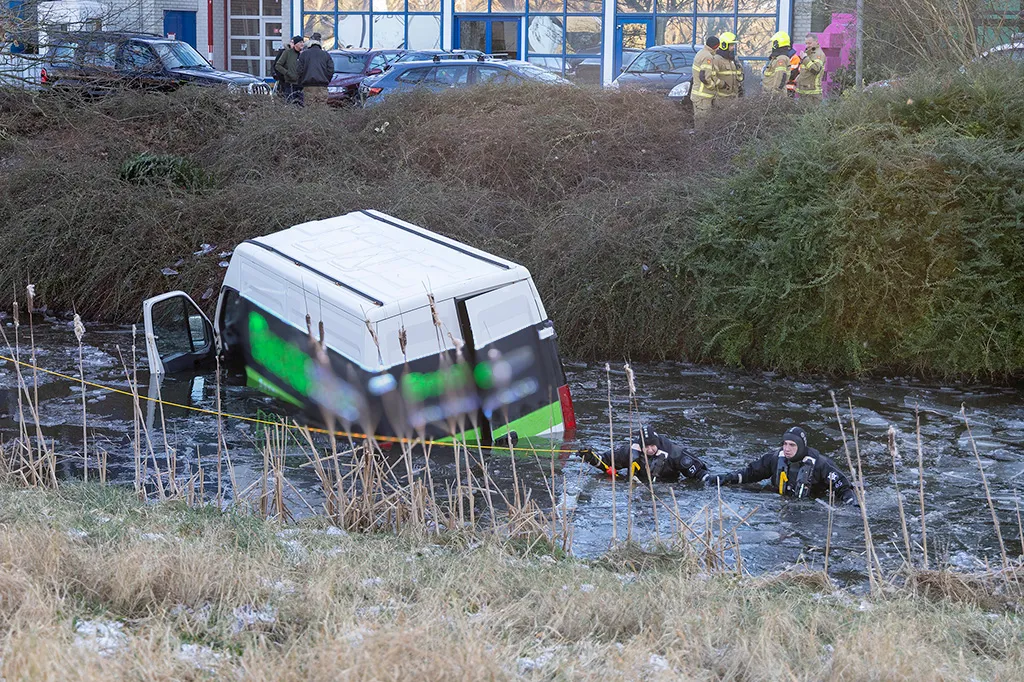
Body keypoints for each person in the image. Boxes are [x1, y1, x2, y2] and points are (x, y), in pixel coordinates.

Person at [707, 426, 857, 505]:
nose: (787, 449)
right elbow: (751, 473)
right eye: (785, 444)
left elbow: (843, 487)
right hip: (779, 501)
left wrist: (852, 504)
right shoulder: (775, 458)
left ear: (801, 446)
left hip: (809, 505)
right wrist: (727, 478)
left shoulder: (821, 464)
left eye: (792, 445)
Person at [576, 424, 709, 484]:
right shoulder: (629, 451)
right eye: (646, 446)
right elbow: (604, 461)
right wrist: (589, 457)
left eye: (653, 446)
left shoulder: (674, 452)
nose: (650, 450)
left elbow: (698, 472)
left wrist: (711, 480)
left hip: (667, 488)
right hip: (637, 487)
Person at [297, 32, 335, 106]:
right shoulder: (326, 55)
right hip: (322, 86)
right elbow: (331, 70)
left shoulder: (304, 54)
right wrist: (326, 80)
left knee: (309, 109)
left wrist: (301, 82)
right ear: (320, 42)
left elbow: (299, 71)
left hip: (308, 86)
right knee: (321, 109)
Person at [690, 35, 719, 130]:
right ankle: (700, 139)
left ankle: (699, 137)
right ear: (715, 46)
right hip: (703, 96)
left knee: (699, 122)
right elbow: (706, 78)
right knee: (703, 124)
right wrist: (713, 87)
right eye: (717, 46)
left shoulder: (701, 53)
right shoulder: (708, 57)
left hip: (698, 95)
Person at [712, 31, 744, 107]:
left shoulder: (733, 60)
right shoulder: (716, 59)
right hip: (721, 101)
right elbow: (712, 77)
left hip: (734, 100)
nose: (733, 47)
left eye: (733, 45)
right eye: (731, 45)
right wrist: (722, 84)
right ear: (724, 45)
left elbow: (739, 77)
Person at [762, 31, 798, 98]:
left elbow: (780, 78)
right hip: (770, 94)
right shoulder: (777, 58)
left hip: (775, 96)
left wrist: (775, 94)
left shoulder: (781, 59)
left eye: (773, 42)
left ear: (777, 43)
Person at [795, 33, 825, 105]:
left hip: (813, 94)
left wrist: (805, 58)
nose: (807, 45)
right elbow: (806, 70)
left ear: (816, 42)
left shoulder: (818, 54)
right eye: (806, 43)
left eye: (809, 43)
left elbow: (815, 70)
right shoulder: (809, 53)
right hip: (805, 91)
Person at [274, 36, 304, 104]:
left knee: (301, 105)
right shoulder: (287, 53)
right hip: (290, 84)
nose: (302, 44)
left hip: (301, 85)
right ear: (295, 44)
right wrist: (287, 73)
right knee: (290, 104)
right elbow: (278, 65)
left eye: (303, 42)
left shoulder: (304, 54)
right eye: (300, 42)